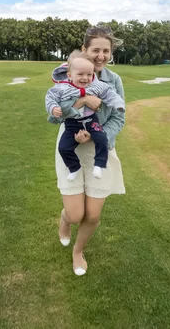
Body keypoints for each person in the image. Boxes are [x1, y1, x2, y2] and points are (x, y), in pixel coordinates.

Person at [49, 25, 126, 276]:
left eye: (106, 50)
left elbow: (118, 118)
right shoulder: (69, 74)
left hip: (99, 148)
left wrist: (96, 135)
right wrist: (82, 101)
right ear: (85, 50)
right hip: (71, 145)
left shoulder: (113, 81)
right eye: (96, 50)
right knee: (74, 214)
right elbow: (54, 115)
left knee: (92, 215)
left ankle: (77, 251)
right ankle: (64, 221)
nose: (101, 55)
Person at [45, 50, 125, 182]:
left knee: (102, 138)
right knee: (63, 147)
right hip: (72, 124)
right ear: (69, 75)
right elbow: (50, 98)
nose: (85, 78)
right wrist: (53, 108)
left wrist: (119, 105)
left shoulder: (96, 85)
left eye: (89, 74)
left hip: (90, 121)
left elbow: (110, 94)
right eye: (80, 74)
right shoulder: (62, 88)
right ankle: (74, 167)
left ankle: (99, 165)